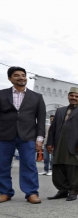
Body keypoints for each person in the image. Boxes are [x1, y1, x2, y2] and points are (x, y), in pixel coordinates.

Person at [0, 66, 46, 204]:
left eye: (23, 75)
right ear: (10, 78)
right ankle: (4, 192)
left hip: (27, 136)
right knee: (2, 165)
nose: (21, 77)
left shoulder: (37, 97)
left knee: (29, 165)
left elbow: (41, 119)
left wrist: (39, 138)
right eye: (16, 75)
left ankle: (31, 192)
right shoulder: (1, 94)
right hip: (4, 136)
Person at [46, 87, 78, 201]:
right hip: (59, 144)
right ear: (68, 96)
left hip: (76, 145)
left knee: (75, 168)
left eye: (77, 96)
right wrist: (50, 142)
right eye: (72, 96)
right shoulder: (60, 111)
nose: (74, 98)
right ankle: (62, 190)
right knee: (58, 167)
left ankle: (74, 191)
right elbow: (53, 128)